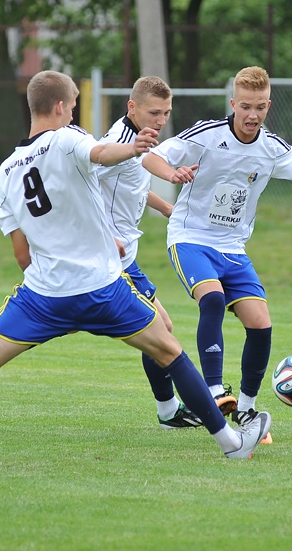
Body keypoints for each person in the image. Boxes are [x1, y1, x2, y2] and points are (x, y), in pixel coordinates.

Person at [0, 70, 270, 473]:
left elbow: (21, 255)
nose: (73, 115)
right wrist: (138, 147)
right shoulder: (68, 139)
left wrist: (56, 296)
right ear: (62, 106)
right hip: (102, 290)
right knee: (170, 351)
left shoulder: (5, 171)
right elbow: (103, 152)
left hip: (42, 296)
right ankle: (232, 445)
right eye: (73, 108)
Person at [142, 66, 292, 438]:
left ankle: (245, 407)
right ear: (233, 104)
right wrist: (172, 173)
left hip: (233, 247)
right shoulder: (208, 135)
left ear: (268, 105)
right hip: (190, 237)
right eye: (245, 107)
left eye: (259, 107)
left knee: (261, 323)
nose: (252, 115)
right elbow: (151, 157)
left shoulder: (271, 148)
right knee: (212, 298)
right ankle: (211, 390)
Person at [96, 75, 202, 429]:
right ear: (132, 107)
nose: (160, 120)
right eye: (154, 112)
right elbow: (82, 186)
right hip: (110, 260)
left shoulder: (140, 141)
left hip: (124, 258)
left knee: (161, 331)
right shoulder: (117, 143)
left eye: (166, 113)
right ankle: (173, 410)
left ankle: (168, 411)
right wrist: (101, 236)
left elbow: (132, 187)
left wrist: (164, 208)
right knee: (161, 331)